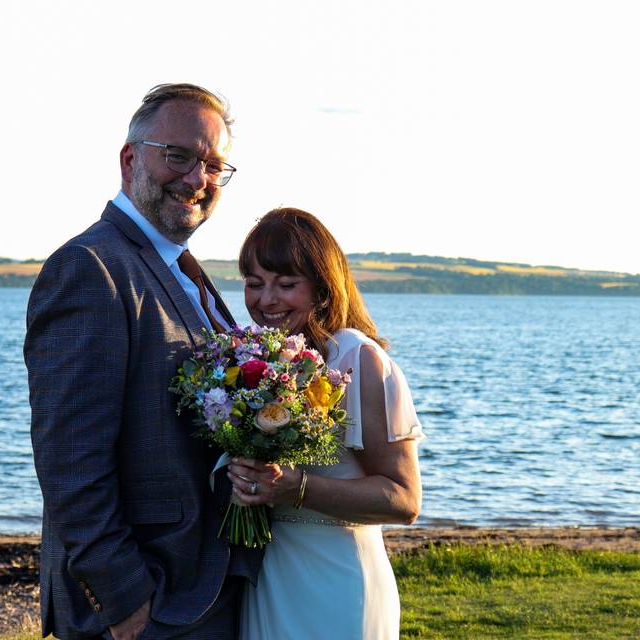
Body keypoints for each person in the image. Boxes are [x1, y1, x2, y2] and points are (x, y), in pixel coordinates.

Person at [24, 84, 262, 640]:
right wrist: (123, 596)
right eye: (178, 156)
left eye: (213, 165)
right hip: (149, 604)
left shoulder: (183, 268)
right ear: (131, 159)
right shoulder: (90, 268)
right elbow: (69, 457)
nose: (197, 178)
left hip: (202, 586)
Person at [227, 208, 425, 639]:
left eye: (286, 284)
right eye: (255, 283)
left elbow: (404, 499)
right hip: (269, 576)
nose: (266, 301)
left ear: (322, 288)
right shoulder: (253, 360)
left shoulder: (357, 359)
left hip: (336, 581)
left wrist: (295, 487)